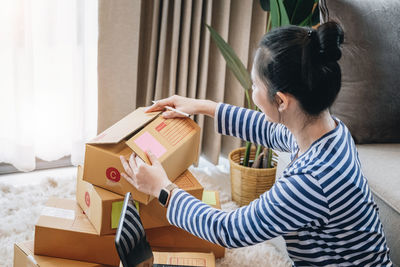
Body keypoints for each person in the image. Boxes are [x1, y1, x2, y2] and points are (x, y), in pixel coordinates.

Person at [119, 22, 392, 266]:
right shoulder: (331, 132)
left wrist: (163, 190)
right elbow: (270, 131)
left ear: (281, 100)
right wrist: (204, 107)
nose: (252, 93)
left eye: (255, 86)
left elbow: (229, 229)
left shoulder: (312, 180)